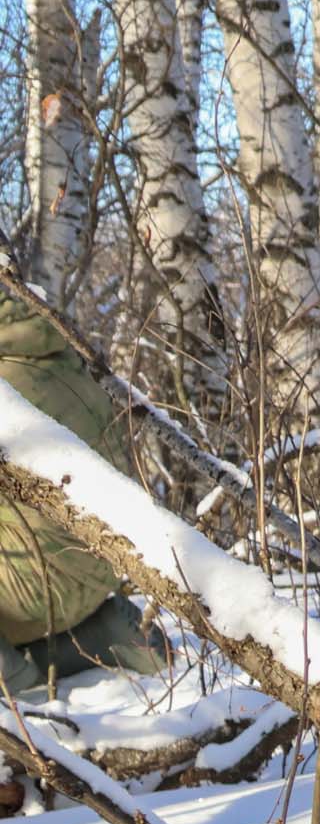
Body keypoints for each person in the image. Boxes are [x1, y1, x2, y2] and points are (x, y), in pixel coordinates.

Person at [0, 285, 167, 703]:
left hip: (37, 583)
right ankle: (99, 637)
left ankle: (10, 677)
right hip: (105, 561)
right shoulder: (60, 354)